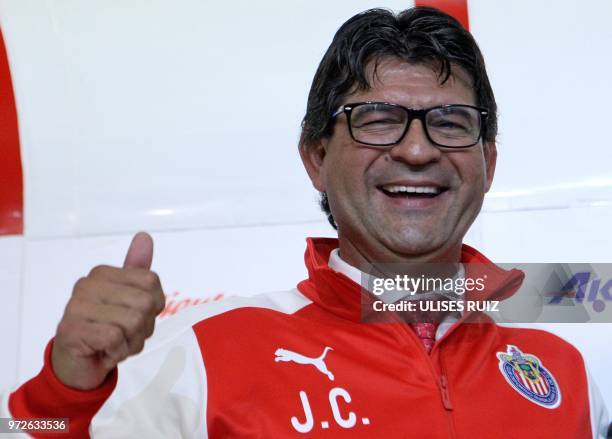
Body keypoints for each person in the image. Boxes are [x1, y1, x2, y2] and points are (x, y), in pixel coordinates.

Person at [2, 6, 609, 438]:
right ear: (316, 157)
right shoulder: (203, 353)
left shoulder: (567, 373)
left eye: (451, 123)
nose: (419, 151)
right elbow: (36, 428)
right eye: (377, 119)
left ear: (489, 162)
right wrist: (65, 392)